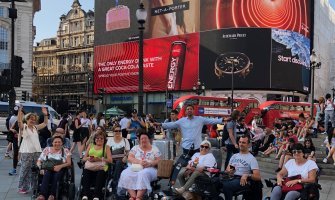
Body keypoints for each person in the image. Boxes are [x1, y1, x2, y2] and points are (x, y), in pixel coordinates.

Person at [157, 105, 223, 156]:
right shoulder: (182, 121)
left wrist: (222, 120)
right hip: (186, 146)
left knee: (196, 164)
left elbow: (211, 121)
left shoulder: (200, 119)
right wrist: (160, 124)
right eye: (188, 109)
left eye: (191, 109)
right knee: (186, 165)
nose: (189, 110)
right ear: (185, 112)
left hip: (197, 146)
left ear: (193, 111)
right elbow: (171, 124)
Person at [118, 131, 161, 200]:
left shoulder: (154, 149)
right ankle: (133, 196)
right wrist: (139, 162)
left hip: (150, 168)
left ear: (149, 139)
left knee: (143, 173)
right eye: (142, 139)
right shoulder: (135, 148)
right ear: (139, 140)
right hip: (136, 167)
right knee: (125, 173)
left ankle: (139, 197)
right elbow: (130, 158)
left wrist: (150, 163)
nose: (143, 140)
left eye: (145, 138)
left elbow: (159, 160)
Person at [17, 106, 48, 194]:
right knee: (25, 170)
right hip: (27, 152)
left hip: (37, 151)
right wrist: (19, 112)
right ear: (27, 119)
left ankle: (34, 186)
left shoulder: (35, 128)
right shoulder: (25, 127)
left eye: (34, 119)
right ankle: (22, 187)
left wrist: (45, 115)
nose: (33, 120)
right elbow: (19, 123)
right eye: (31, 119)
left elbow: (45, 123)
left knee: (35, 169)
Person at [221, 135, 261, 200]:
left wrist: (247, 175)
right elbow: (227, 170)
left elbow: (258, 177)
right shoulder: (234, 156)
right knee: (214, 182)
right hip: (231, 178)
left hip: (241, 180)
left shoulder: (251, 158)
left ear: (248, 145)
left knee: (227, 186)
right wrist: (229, 171)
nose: (241, 144)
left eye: (243, 142)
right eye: (240, 142)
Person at [36, 136, 71, 200]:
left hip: (60, 169)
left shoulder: (66, 150)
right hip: (48, 168)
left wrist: (60, 166)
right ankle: (42, 195)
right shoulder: (47, 149)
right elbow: (39, 160)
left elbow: (69, 163)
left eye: (59, 142)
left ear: (62, 143)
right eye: (55, 142)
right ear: (52, 143)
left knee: (56, 176)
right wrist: (40, 168)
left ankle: (52, 195)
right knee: (46, 174)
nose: (57, 143)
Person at [81, 131, 113, 200]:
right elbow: (84, 158)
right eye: (97, 138)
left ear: (104, 140)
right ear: (94, 139)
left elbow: (110, 160)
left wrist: (99, 159)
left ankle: (96, 195)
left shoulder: (106, 147)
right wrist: (89, 158)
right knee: (86, 171)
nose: (99, 139)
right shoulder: (90, 145)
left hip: (101, 166)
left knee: (101, 173)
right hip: (90, 165)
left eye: (101, 138)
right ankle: (85, 194)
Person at [106, 125, 130, 193]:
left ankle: (114, 182)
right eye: (116, 131)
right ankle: (115, 182)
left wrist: (126, 156)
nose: (118, 132)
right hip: (112, 160)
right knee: (116, 164)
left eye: (120, 131)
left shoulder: (125, 140)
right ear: (113, 132)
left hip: (122, 161)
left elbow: (128, 152)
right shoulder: (110, 140)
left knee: (119, 163)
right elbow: (107, 152)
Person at [8, 106, 19, 175]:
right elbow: (10, 128)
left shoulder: (26, 122)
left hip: (23, 140)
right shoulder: (16, 121)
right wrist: (14, 130)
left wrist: (21, 134)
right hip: (16, 139)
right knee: (15, 153)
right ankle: (14, 169)